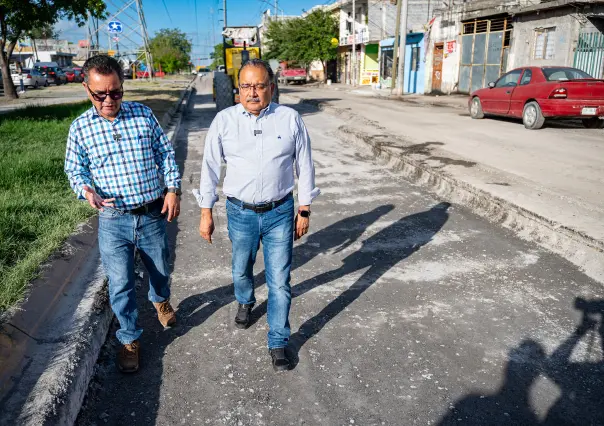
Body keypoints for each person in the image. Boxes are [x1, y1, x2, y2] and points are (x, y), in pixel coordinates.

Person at [196, 59, 320, 372]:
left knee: (280, 281)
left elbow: (304, 165)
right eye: (247, 86)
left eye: (260, 85)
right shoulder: (224, 121)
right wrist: (205, 212)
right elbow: (209, 168)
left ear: (271, 88)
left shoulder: (289, 118)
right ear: (238, 90)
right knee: (242, 268)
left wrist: (304, 208)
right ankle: (245, 299)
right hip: (240, 213)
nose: (253, 92)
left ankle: (278, 341)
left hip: (280, 211)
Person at [64, 55, 182, 373]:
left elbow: (165, 153)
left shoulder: (143, 115)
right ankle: (129, 339)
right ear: (87, 89)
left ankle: (160, 299)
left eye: (114, 93)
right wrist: (85, 189)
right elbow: (75, 170)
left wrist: (172, 189)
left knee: (160, 269)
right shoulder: (80, 129)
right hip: (113, 219)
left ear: (122, 87)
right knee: (120, 284)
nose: (108, 100)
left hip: (151, 213)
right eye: (99, 94)